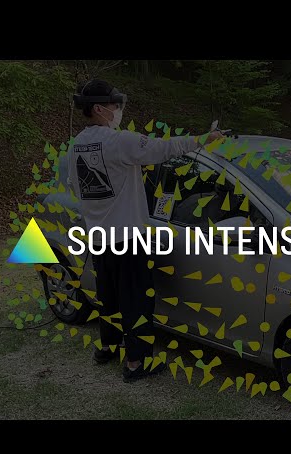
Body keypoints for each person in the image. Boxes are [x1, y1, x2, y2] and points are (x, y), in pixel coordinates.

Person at [67, 79, 224, 382]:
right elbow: (164, 148)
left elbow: (76, 187)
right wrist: (205, 138)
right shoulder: (119, 141)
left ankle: (108, 347)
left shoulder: (76, 146)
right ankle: (136, 363)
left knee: (109, 295)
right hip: (127, 237)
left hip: (98, 238)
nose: (118, 110)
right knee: (136, 300)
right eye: (114, 105)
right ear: (98, 108)